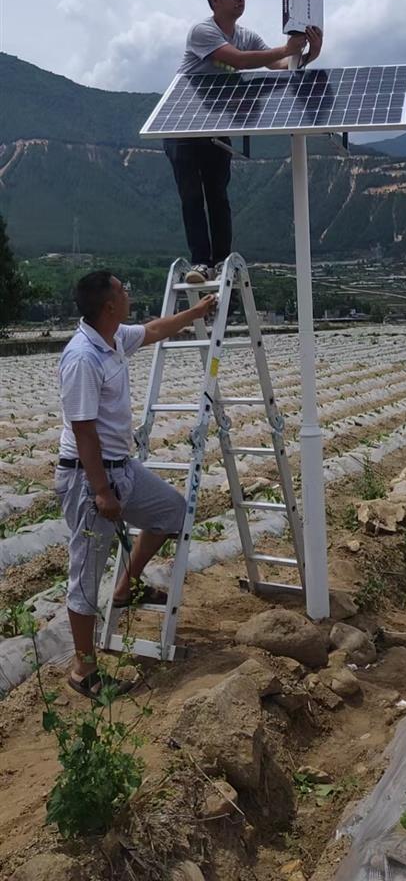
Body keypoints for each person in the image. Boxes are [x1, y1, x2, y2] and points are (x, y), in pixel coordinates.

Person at [56, 269, 217, 696]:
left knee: (172, 511)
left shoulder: (113, 339)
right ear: (109, 305)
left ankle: (126, 585)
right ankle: (83, 669)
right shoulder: (82, 358)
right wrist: (101, 491)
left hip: (121, 467)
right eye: (122, 290)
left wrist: (196, 311)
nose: (128, 293)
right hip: (88, 477)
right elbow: (84, 431)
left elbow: (152, 330)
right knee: (86, 573)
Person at [165, 0, 323, 283]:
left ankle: (222, 260)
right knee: (192, 196)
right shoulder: (202, 32)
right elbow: (238, 61)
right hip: (183, 126)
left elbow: (278, 68)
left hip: (215, 125)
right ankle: (200, 262)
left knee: (218, 195)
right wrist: (286, 49)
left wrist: (306, 55)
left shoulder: (247, 35)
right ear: (215, 0)